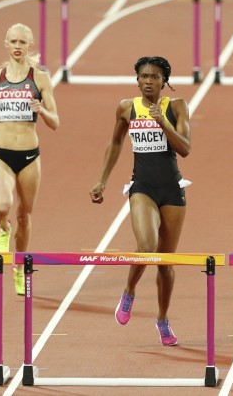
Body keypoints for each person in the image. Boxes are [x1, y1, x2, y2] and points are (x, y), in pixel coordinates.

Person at [90, 56, 191, 346]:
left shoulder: (176, 106)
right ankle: (129, 291)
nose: (148, 81)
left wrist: (163, 123)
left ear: (164, 81)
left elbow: (185, 148)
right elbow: (116, 143)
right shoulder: (126, 108)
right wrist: (102, 180)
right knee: (146, 246)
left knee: (165, 263)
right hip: (142, 186)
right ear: (137, 79)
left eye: (155, 77)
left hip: (172, 189)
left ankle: (162, 320)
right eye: (143, 76)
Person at [0, 23, 60, 295]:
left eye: (22, 42)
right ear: (5, 43)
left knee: (25, 215)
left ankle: (20, 267)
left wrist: (42, 111)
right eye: (13, 41)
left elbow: (55, 122)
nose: (17, 46)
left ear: (29, 45)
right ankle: (3, 227)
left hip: (29, 155)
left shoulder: (40, 78)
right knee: (3, 205)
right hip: (0, 153)